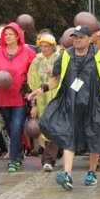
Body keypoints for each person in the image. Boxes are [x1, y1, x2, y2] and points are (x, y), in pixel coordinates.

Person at [29, 25, 100, 190]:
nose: (77, 39)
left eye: (81, 37)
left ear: (90, 39)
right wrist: (42, 88)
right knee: (69, 135)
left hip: (94, 103)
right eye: (75, 37)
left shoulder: (98, 56)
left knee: (94, 136)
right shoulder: (66, 56)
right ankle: (67, 174)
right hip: (70, 103)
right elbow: (56, 79)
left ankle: (91, 172)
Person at [0, 22, 36, 172]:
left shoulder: (27, 52)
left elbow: (35, 71)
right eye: (5, 34)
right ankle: (19, 151)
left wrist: (32, 92)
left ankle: (13, 159)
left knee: (16, 127)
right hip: (3, 97)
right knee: (10, 128)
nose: (8, 36)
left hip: (19, 97)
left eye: (11, 34)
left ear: (18, 36)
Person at [27, 32, 62, 172]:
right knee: (46, 128)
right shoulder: (36, 61)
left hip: (57, 99)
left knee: (55, 127)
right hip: (42, 101)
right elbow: (32, 82)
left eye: (47, 46)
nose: (44, 49)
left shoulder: (59, 58)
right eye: (42, 46)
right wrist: (33, 104)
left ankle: (48, 159)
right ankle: (53, 155)